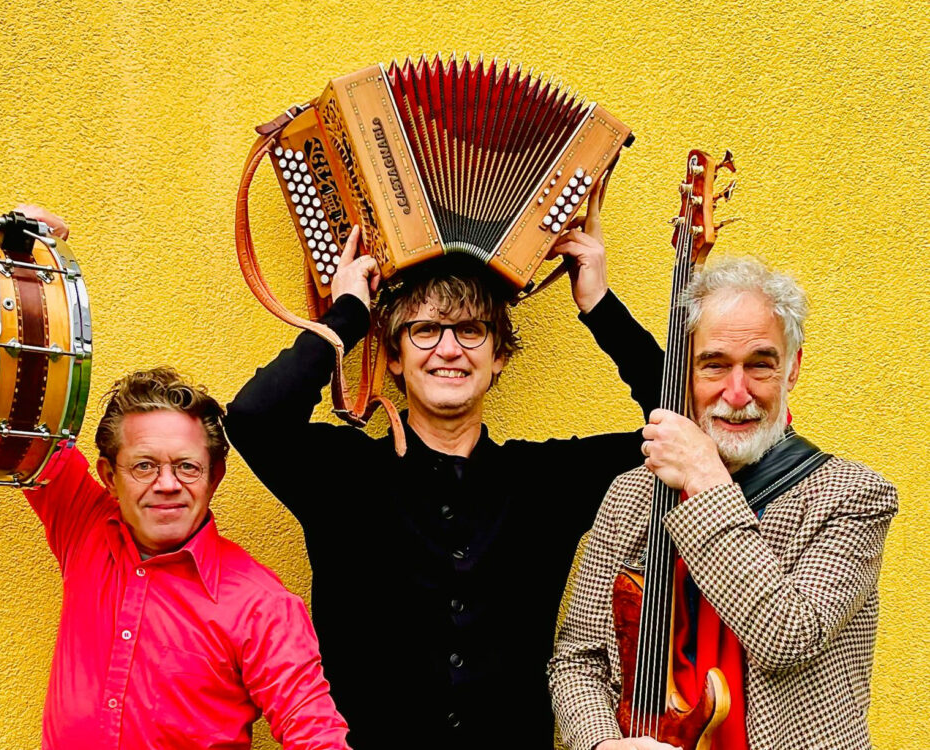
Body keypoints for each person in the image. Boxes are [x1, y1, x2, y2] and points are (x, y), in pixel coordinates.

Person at [224, 185, 664, 749]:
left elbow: (684, 427)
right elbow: (254, 419)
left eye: (471, 330)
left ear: (498, 356)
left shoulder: (548, 481)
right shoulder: (341, 475)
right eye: (425, 330)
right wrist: (349, 313)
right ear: (394, 356)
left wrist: (598, 303)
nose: (449, 349)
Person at [14, 201, 350, 750]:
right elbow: (24, 405)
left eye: (187, 467)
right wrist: (28, 270)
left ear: (215, 476)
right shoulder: (81, 523)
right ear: (108, 476)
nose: (166, 484)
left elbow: (316, 735)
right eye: (144, 465)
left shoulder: (262, 605)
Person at [548, 258, 898, 750]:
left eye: (760, 364)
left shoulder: (851, 495)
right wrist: (603, 744)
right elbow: (578, 661)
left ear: (792, 369)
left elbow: (786, 638)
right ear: (683, 373)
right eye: (714, 364)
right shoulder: (630, 495)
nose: (737, 394)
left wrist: (708, 479)